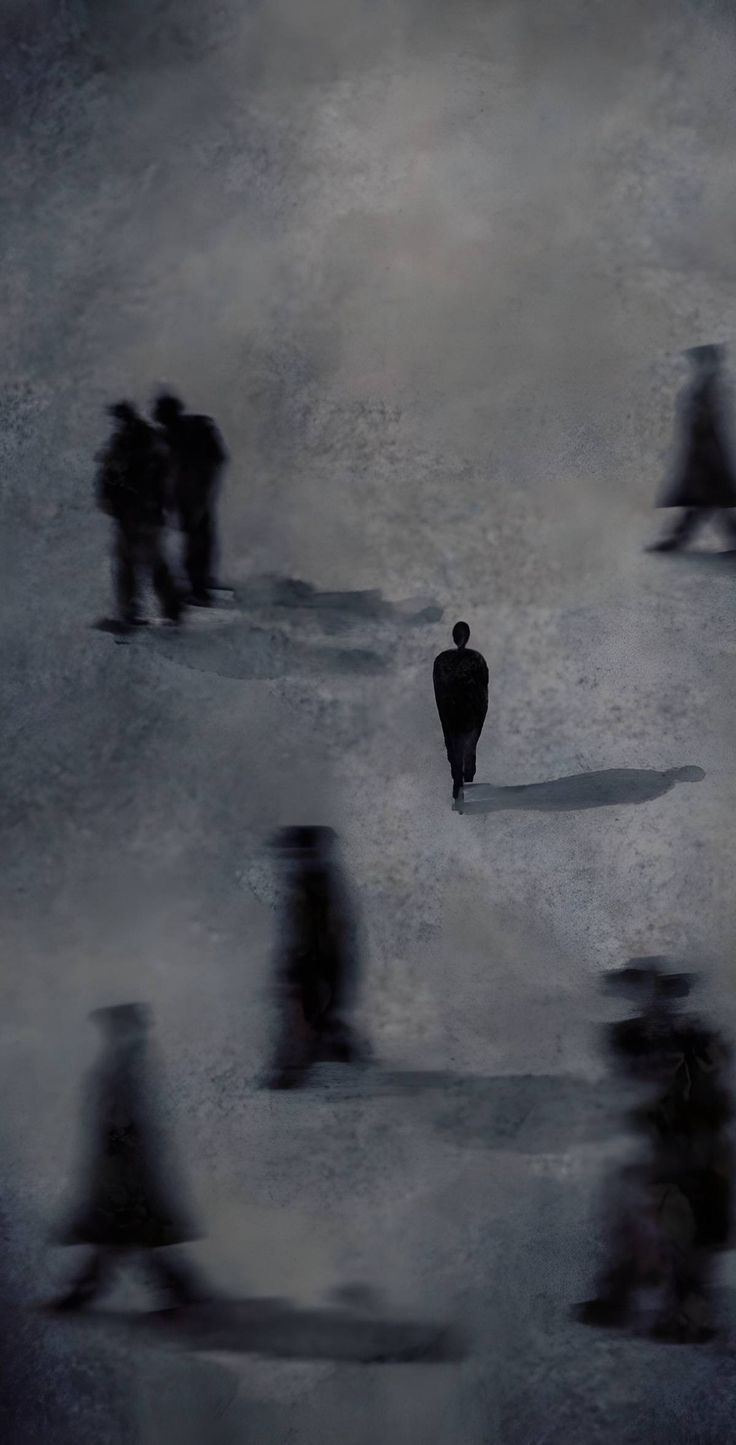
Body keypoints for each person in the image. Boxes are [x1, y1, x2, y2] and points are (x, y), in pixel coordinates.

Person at [575, 959, 733, 1342]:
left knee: (679, 1207)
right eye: (646, 991)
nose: (654, 1001)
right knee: (636, 1198)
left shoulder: (698, 1036)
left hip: (701, 1149)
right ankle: (626, 1296)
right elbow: (633, 1083)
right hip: (675, 1147)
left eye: (662, 992)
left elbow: (714, 1094)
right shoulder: (629, 1036)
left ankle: (681, 1310)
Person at [48, 1004, 208, 1312]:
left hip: (124, 1160)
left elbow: (124, 1112)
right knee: (130, 1232)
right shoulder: (126, 1054)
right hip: (125, 1159)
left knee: (121, 1230)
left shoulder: (127, 1055)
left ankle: (86, 1293)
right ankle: (181, 1291)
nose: (106, 1027)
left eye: (113, 1020)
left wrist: (118, 1149)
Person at [267, 827, 370, 1089]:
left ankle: (298, 1065)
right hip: (315, 962)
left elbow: (324, 933)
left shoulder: (317, 883)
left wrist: (294, 964)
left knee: (307, 1015)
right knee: (309, 1015)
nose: (289, 859)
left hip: (316, 963)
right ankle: (315, 1056)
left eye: (297, 852)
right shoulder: (315, 881)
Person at [95, 401, 182, 632]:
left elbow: (158, 478)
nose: (116, 422)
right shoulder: (131, 440)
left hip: (143, 513)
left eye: (118, 417)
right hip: (132, 513)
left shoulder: (142, 441)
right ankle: (142, 610)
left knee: (145, 561)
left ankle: (154, 610)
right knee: (138, 561)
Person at [648, 345, 736, 553]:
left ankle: (678, 540)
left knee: (705, 500)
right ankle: (679, 539)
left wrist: (711, 456)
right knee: (705, 502)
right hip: (703, 454)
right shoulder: (705, 385)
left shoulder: (709, 388)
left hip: (707, 455)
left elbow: (709, 424)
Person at [152, 391, 227, 606]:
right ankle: (197, 585)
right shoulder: (168, 434)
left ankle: (199, 588)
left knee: (198, 541)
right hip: (183, 495)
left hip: (195, 495)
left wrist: (204, 494)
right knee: (195, 540)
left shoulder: (197, 429)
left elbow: (216, 461)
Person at [433, 622, 489, 805]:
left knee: (459, 756)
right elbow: (483, 694)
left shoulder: (443, 660)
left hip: (458, 715)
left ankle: (462, 798)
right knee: (463, 756)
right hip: (464, 715)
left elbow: (439, 694)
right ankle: (463, 798)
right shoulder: (475, 659)